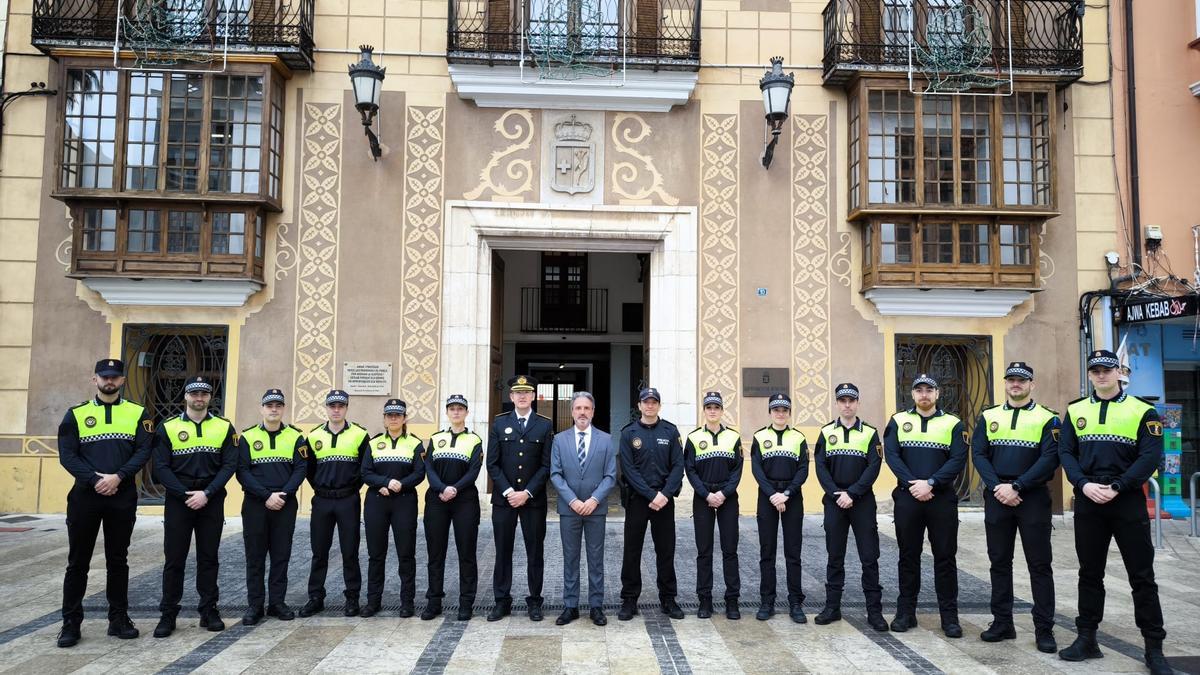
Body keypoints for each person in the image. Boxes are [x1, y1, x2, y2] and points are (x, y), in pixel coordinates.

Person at [1058, 350, 1172, 674]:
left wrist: (1119, 486)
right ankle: (1087, 639)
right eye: (1095, 371)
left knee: (1142, 576)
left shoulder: (1143, 412)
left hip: (1127, 500)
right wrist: (1082, 484)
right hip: (1089, 498)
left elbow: (1149, 457)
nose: (1101, 376)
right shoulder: (1076, 410)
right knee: (1089, 574)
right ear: (1091, 374)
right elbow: (1066, 451)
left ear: (1118, 372)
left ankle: (1154, 649)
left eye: (1107, 370)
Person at [56, 358, 154, 648]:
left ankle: (118, 619)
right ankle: (70, 623)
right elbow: (67, 454)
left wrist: (119, 476)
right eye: (104, 377)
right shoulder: (75, 414)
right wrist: (96, 479)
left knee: (118, 560)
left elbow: (144, 450)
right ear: (94, 379)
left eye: (114, 377)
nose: (109, 381)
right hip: (85, 496)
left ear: (123, 380)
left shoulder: (137, 413)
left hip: (121, 497)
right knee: (77, 563)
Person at [971, 362, 1060, 653]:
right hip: (998, 496)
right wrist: (999, 486)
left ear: (1031, 384)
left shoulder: (1048, 418)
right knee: (999, 562)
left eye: (1021, 380)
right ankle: (1002, 622)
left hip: (1031, 498)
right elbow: (979, 453)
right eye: (1011, 380)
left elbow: (1050, 459)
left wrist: (1018, 486)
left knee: (1039, 565)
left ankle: (1044, 629)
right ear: (1005, 384)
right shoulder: (989, 415)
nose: (1016, 385)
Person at [152, 375, 238, 638]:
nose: (199, 398)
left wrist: (208, 493)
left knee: (209, 558)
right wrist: (184, 494)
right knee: (174, 559)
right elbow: (160, 467)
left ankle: (209, 611)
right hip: (179, 501)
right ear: (185, 397)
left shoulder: (224, 427)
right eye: (194, 394)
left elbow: (229, 464)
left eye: (203, 394)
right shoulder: (166, 428)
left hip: (210, 500)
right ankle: (168, 614)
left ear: (210, 397)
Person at [883, 374, 967, 638]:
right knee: (908, 556)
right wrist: (913, 484)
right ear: (913, 394)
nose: (924, 395)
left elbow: (958, 459)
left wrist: (930, 483)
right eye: (919, 390)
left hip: (941, 499)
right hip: (908, 498)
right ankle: (906, 613)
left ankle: (949, 617)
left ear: (937, 394)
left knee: (945, 558)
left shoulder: (953, 423)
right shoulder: (898, 421)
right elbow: (892, 455)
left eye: (929, 390)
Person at [812, 383, 887, 632]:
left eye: (851, 400)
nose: (847, 405)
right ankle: (832, 608)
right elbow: (821, 468)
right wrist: (837, 494)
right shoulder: (826, 433)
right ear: (836, 403)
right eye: (842, 400)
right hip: (835, 502)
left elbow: (873, 466)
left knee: (869, 557)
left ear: (857, 403)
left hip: (861, 502)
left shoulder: (869, 432)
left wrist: (852, 493)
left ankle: (874, 612)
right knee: (835, 556)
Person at [236, 389, 307, 625]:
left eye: (278, 405)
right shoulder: (247, 437)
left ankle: (277, 602)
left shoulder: (296, 438)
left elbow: (300, 469)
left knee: (280, 555)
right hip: (256, 504)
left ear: (284, 409)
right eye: (269, 405)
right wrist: (266, 495)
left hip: (285, 504)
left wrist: (283, 495)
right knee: (254, 556)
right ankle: (255, 605)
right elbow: (242, 471)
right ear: (262, 409)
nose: (274, 409)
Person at [486, 375, 553, 622]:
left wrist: (526, 493)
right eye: (518, 393)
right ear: (511, 397)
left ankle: (535, 601)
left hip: (533, 501)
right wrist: (508, 492)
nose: (522, 396)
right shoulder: (498, 423)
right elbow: (492, 463)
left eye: (527, 392)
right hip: (504, 501)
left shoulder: (544, 425)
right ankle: (501, 601)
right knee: (503, 551)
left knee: (535, 552)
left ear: (533, 396)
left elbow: (546, 465)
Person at [550, 391, 617, 626]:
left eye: (586, 408)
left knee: (596, 558)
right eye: (578, 408)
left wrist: (593, 500)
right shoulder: (559, 440)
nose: (582, 412)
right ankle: (570, 606)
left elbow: (610, 476)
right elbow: (556, 475)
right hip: (570, 509)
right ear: (572, 412)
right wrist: (573, 500)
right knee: (571, 558)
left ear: (593, 412)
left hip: (595, 509)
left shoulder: (606, 440)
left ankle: (596, 606)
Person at [618, 387, 685, 621]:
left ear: (659, 405)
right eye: (646, 402)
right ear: (639, 406)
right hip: (638, 500)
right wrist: (650, 494)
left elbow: (678, 465)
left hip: (664, 502)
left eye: (654, 402)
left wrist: (664, 494)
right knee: (632, 551)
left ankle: (668, 598)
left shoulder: (670, 431)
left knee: (665, 551)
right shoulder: (628, 433)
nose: (650, 406)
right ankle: (629, 599)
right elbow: (628, 469)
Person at [301, 389, 370, 618]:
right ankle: (315, 597)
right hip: (322, 500)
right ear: (326, 408)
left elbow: (364, 468)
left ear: (347, 408)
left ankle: (352, 598)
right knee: (319, 552)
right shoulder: (313, 436)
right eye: (332, 406)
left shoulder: (360, 435)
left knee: (349, 551)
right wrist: (321, 488)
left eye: (341, 406)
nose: (336, 410)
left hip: (348, 499)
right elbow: (308, 470)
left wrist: (350, 489)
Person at [361, 399, 425, 618]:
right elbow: (365, 472)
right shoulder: (373, 443)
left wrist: (400, 485)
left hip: (404, 501)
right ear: (384, 419)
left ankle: (407, 602)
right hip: (377, 501)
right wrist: (385, 483)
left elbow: (419, 472)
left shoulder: (415, 444)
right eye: (390, 415)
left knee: (406, 554)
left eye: (398, 415)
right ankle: (373, 601)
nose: (394, 419)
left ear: (405, 418)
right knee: (375, 554)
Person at [423, 394, 484, 621]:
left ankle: (466, 603)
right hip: (437, 500)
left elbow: (473, 471)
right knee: (435, 553)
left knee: (466, 553)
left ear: (467, 413)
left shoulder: (475, 440)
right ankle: (434, 601)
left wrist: (454, 489)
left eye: (460, 409)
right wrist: (441, 488)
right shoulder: (436, 438)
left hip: (464, 501)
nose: (456, 412)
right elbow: (428, 467)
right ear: (447, 413)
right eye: (452, 409)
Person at [750, 393, 809, 623]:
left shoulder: (799, 437)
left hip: (792, 497)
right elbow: (757, 470)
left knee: (793, 553)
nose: (780, 413)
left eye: (784, 410)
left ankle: (796, 602)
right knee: (767, 552)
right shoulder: (760, 436)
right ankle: (767, 601)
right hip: (767, 497)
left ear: (789, 413)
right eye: (776, 410)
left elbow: (803, 469)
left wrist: (787, 493)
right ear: (770, 412)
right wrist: (773, 495)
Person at [683, 391, 743, 620]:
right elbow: (690, 470)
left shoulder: (733, 437)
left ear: (722, 410)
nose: (713, 411)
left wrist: (723, 493)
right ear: (704, 410)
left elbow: (737, 470)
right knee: (704, 551)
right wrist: (707, 494)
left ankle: (732, 601)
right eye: (709, 407)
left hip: (728, 499)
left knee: (730, 551)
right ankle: (705, 600)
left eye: (716, 407)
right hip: (703, 498)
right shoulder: (694, 438)